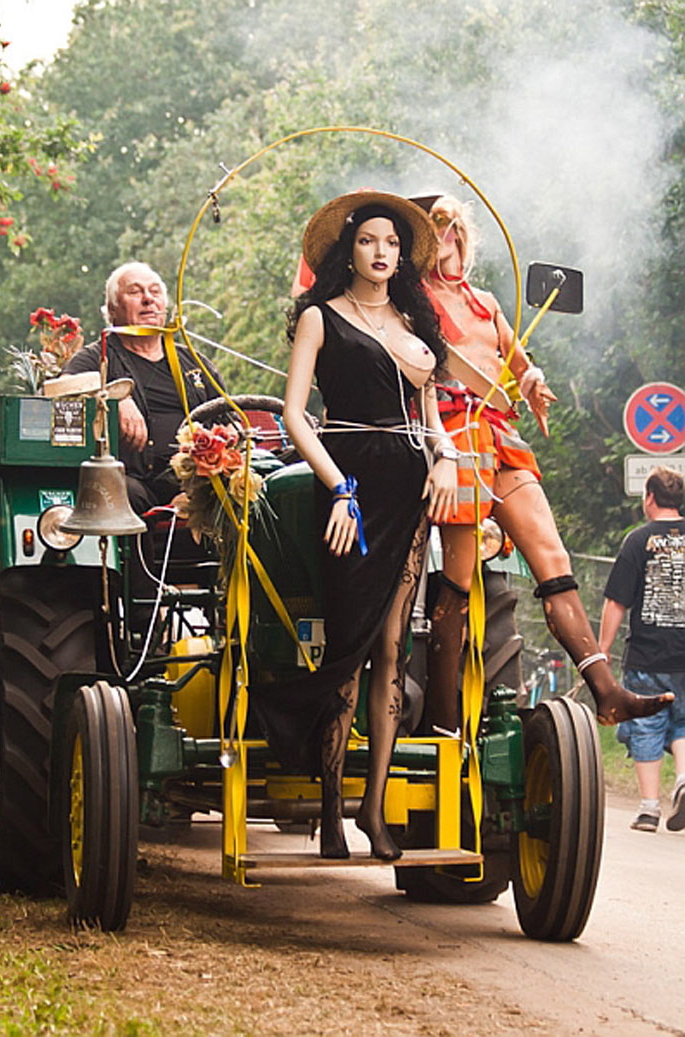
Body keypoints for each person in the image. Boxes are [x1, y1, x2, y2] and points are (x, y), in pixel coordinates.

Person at [416, 193, 673, 733]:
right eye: (439, 225)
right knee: (458, 583)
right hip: (455, 439)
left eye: (457, 226)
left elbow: (520, 366)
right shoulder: (413, 302)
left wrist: (532, 381)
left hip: (500, 439)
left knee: (553, 560)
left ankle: (606, 691)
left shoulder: (485, 302)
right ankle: (444, 724)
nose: (450, 234)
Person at [255, 190, 457, 860]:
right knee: (349, 644)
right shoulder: (320, 316)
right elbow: (294, 415)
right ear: (350, 250)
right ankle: (334, 807)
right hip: (348, 483)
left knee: (394, 647)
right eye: (370, 241)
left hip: (409, 485)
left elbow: (429, 413)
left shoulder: (414, 319)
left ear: (403, 256)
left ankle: (374, 809)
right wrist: (338, 486)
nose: (382, 252)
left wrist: (448, 456)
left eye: (393, 244)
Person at [63, 261, 226, 514]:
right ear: (112, 310)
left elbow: (228, 418)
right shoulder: (95, 358)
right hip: (134, 483)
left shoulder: (195, 362)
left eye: (155, 291)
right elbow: (58, 391)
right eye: (135, 292)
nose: (148, 299)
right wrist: (115, 396)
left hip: (196, 481)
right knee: (118, 490)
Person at [598, 466, 685, 833]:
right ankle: (682, 782)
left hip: (648, 655)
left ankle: (649, 808)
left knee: (648, 723)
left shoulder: (638, 541)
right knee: (682, 721)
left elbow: (617, 602)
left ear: (650, 498)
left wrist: (601, 649)